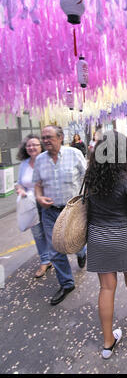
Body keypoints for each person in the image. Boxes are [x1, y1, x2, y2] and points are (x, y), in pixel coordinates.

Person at [85, 130, 127, 359]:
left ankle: (107, 343)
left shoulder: (90, 177)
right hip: (123, 235)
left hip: (98, 235)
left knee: (107, 287)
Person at [33, 125, 87, 306]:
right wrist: (39, 197)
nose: (45, 140)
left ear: (60, 137)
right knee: (54, 251)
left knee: (75, 241)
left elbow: (87, 177)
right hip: (50, 212)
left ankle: (82, 252)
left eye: (49, 137)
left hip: (72, 211)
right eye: (44, 137)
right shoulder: (40, 160)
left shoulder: (74, 154)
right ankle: (67, 284)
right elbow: (37, 184)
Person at [15, 135, 52, 278]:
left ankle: (70, 254)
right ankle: (45, 260)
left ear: (41, 146)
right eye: (28, 145)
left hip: (48, 201)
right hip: (30, 203)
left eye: (35, 145)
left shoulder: (48, 161)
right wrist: (20, 189)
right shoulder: (24, 164)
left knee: (54, 232)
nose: (31, 148)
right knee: (37, 234)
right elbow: (19, 182)